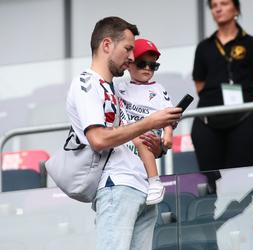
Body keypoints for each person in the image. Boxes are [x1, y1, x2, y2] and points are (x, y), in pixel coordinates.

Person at [65, 16, 182, 250]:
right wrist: (150, 122)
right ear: (107, 45)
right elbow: (98, 139)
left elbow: (131, 138)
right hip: (116, 185)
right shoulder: (86, 84)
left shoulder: (116, 89)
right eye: (128, 49)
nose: (132, 57)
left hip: (143, 187)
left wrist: (158, 146)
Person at [191, 0, 253, 193]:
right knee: (213, 181)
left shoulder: (252, 44)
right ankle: (214, 217)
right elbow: (200, 85)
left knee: (240, 180)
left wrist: (243, 110)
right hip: (208, 119)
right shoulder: (204, 47)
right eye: (214, 5)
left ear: (236, 8)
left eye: (224, 3)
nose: (217, 8)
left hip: (243, 117)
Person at [115, 38, 173, 205]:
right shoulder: (119, 88)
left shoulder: (158, 89)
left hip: (149, 132)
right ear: (130, 64)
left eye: (153, 65)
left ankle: (155, 182)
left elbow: (168, 114)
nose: (147, 68)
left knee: (141, 137)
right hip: (126, 135)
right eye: (142, 64)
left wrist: (168, 134)